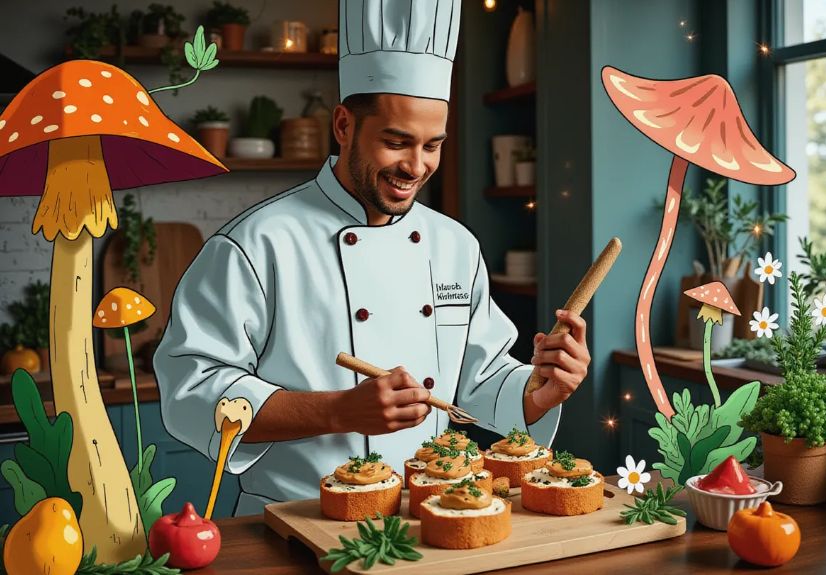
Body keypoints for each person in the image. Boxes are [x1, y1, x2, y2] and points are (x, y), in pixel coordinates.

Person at [154, 0, 591, 516]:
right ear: (343, 125)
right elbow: (192, 391)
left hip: (425, 518)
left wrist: (543, 389)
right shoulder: (256, 243)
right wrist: (339, 410)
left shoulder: (455, 246)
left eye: (433, 145)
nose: (416, 166)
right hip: (292, 520)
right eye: (396, 141)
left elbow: (478, 381)